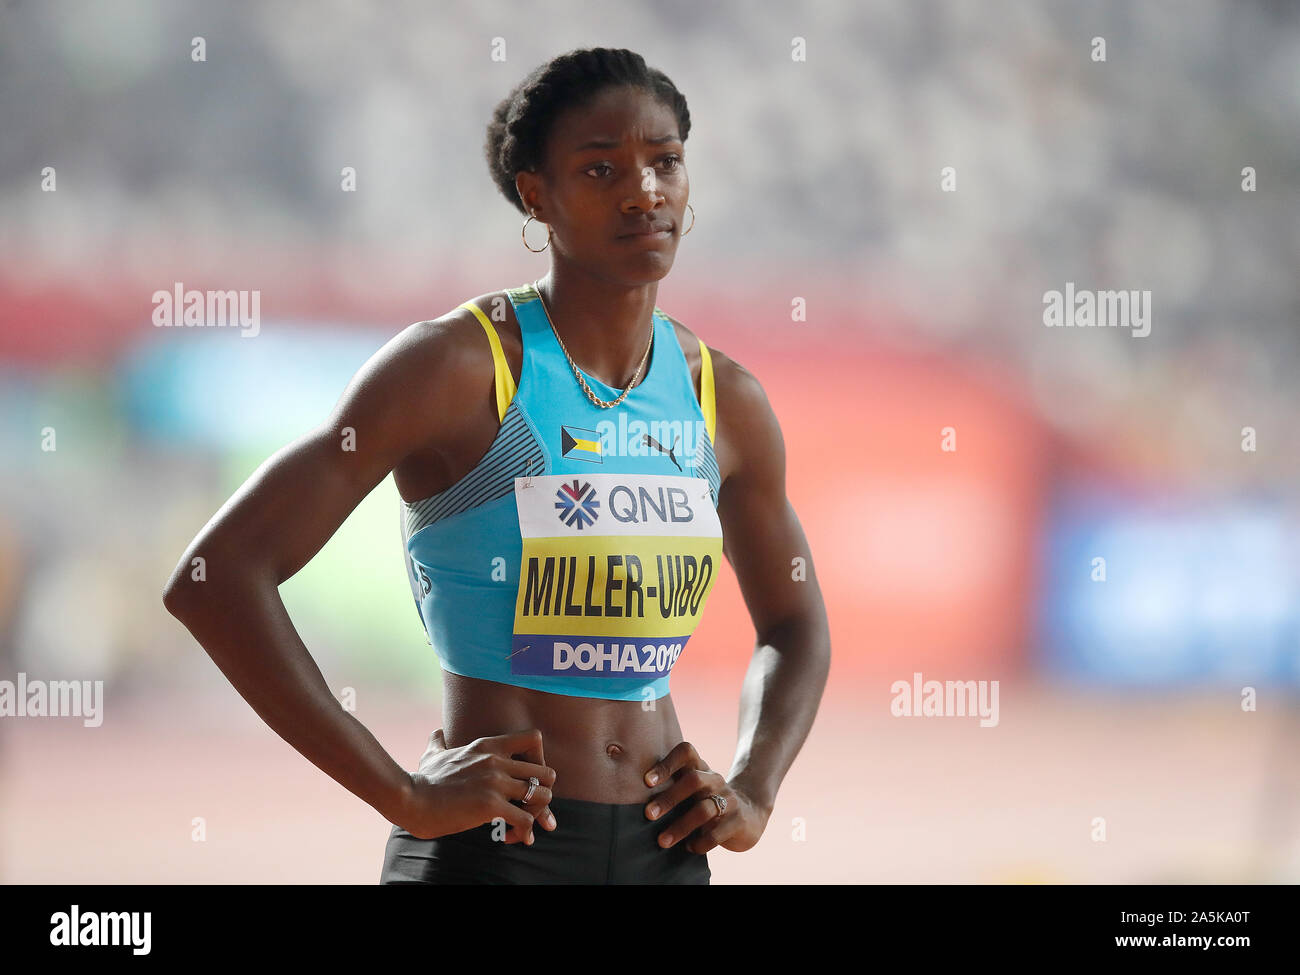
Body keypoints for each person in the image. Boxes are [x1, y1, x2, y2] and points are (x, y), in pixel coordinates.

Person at [162, 46, 830, 885]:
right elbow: (214, 575)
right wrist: (400, 791)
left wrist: (755, 790)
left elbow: (796, 623)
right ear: (535, 195)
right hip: (497, 852)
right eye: (601, 169)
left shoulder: (720, 397)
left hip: (667, 852)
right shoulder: (458, 369)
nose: (643, 192)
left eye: (665, 162)